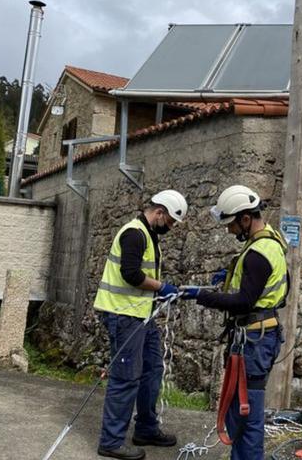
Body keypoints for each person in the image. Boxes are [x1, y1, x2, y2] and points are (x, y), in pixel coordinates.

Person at [184, 185, 288, 460]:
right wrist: (228, 273)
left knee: (247, 412)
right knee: (238, 409)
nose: (229, 231)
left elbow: (244, 301)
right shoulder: (267, 242)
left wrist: (202, 296)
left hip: (254, 340)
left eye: (231, 224)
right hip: (256, 337)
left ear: (245, 219)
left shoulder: (258, 253)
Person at [93, 190, 188, 460]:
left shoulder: (150, 236)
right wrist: (162, 287)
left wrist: (159, 292)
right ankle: (111, 441)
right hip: (123, 316)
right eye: (169, 222)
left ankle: (146, 428)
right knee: (125, 378)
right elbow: (131, 274)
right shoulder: (134, 233)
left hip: (141, 315)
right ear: (159, 212)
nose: (170, 228)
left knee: (152, 370)